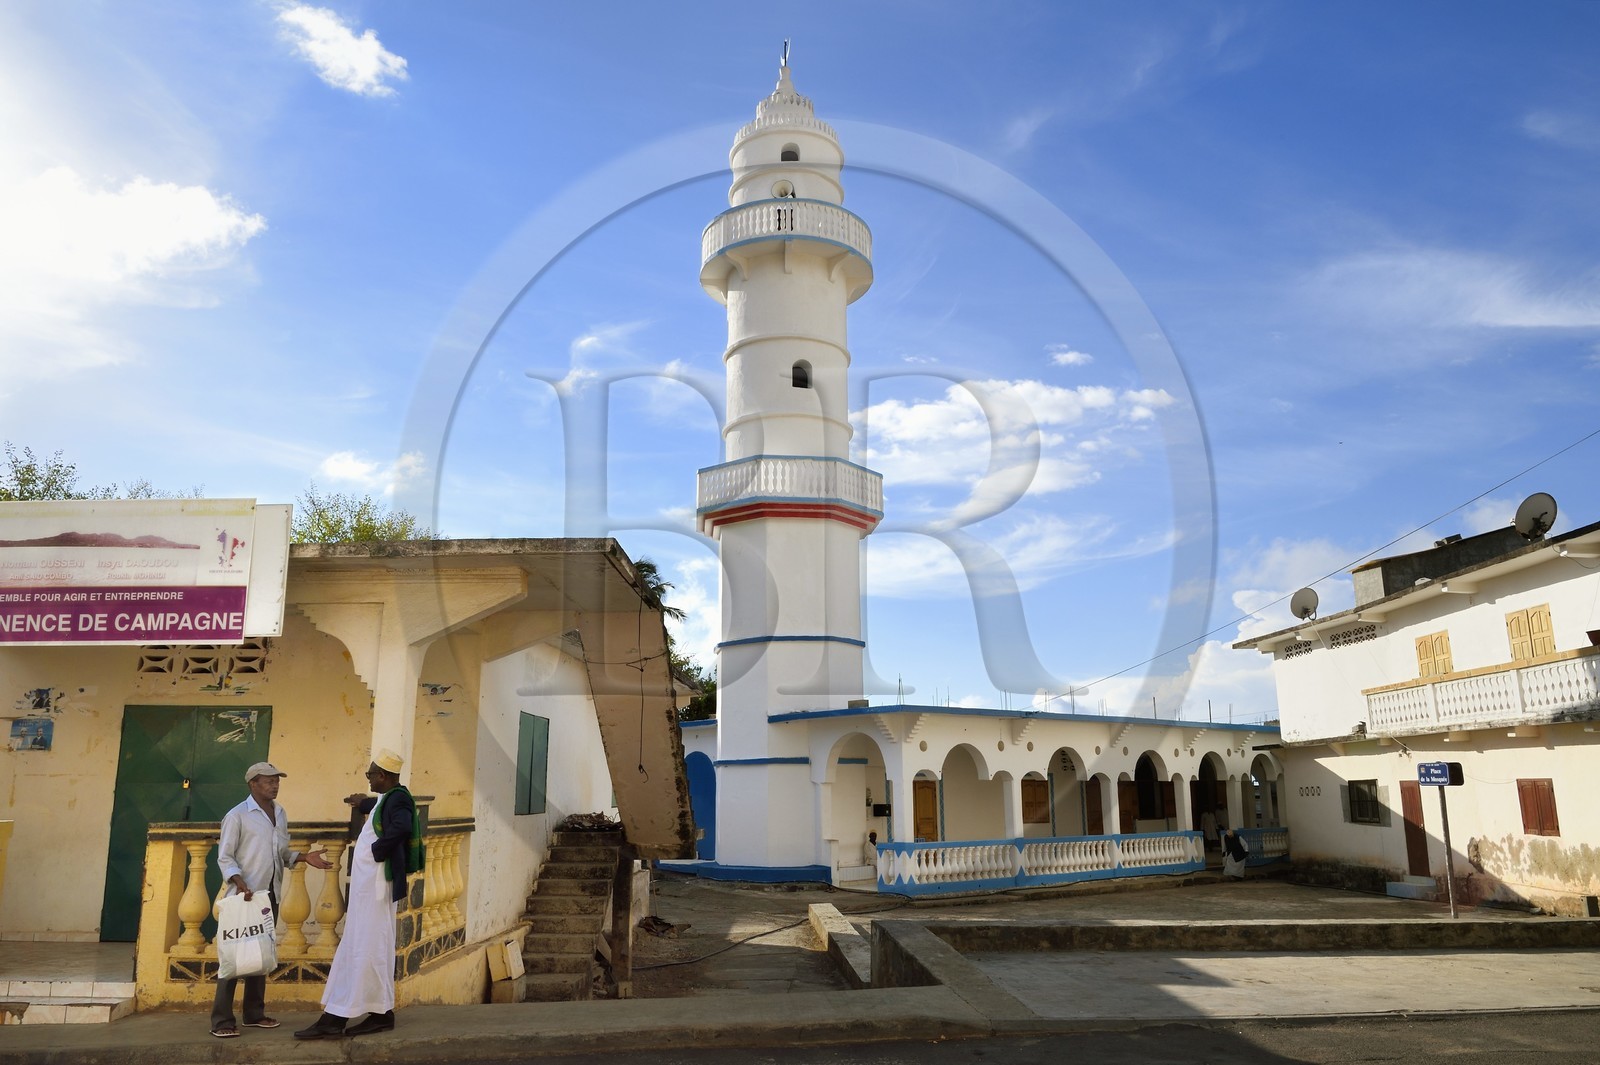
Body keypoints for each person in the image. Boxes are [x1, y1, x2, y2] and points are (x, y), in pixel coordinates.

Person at [295, 748, 417, 1040]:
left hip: (375, 886)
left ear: (383, 776)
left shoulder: (398, 798)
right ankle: (380, 1013)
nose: (368, 779)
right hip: (369, 887)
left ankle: (337, 1018)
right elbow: (383, 807)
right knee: (367, 945)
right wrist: (364, 803)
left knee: (363, 946)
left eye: (370, 775)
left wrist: (376, 851)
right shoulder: (390, 797)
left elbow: (401, 824)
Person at [210, 762, 331, 1039]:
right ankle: (221, 1020)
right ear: (253, 784)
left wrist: (302, 857)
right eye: (269, 781)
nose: (275, 785)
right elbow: (225, 856)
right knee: (233, 957)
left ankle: (253, 1014)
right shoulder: (237, 816)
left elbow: (282, 852)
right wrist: (239, 882)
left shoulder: (279, 812)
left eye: (277, 781)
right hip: (243, 897)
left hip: (268, 896)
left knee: (260, 955)